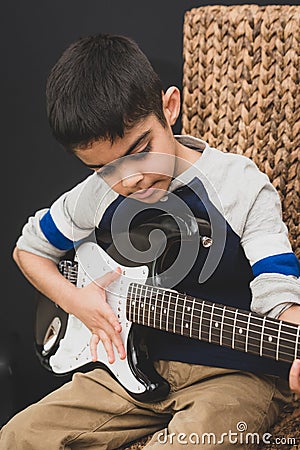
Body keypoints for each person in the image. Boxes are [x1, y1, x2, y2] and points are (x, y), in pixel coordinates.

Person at [1, 33, 300, 449]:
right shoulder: (95, 194)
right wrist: (76, 302)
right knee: (17, 436)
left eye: (141, 150)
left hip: (235, 375)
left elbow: (278, 285)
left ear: (170, 107)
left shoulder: (239, 184)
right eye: (104, 168)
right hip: (128, 369)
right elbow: (28, 250)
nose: (129, 179)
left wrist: (296, 336)